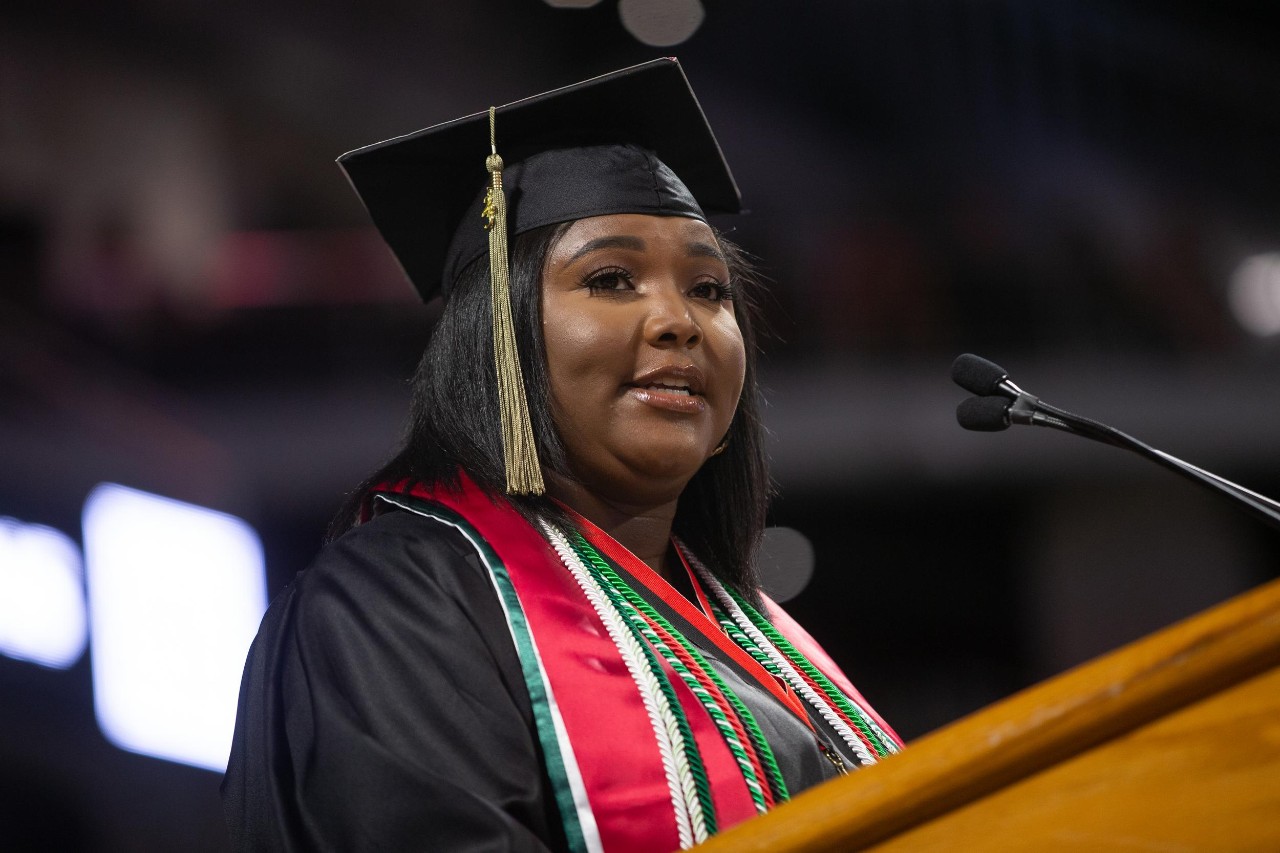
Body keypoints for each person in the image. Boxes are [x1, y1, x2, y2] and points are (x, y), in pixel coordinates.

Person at [222, 58, 902, 852]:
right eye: (612, 278)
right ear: (496, 340)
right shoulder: (388, 606)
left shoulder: (751, 639)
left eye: (710, 289)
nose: (679, 320)